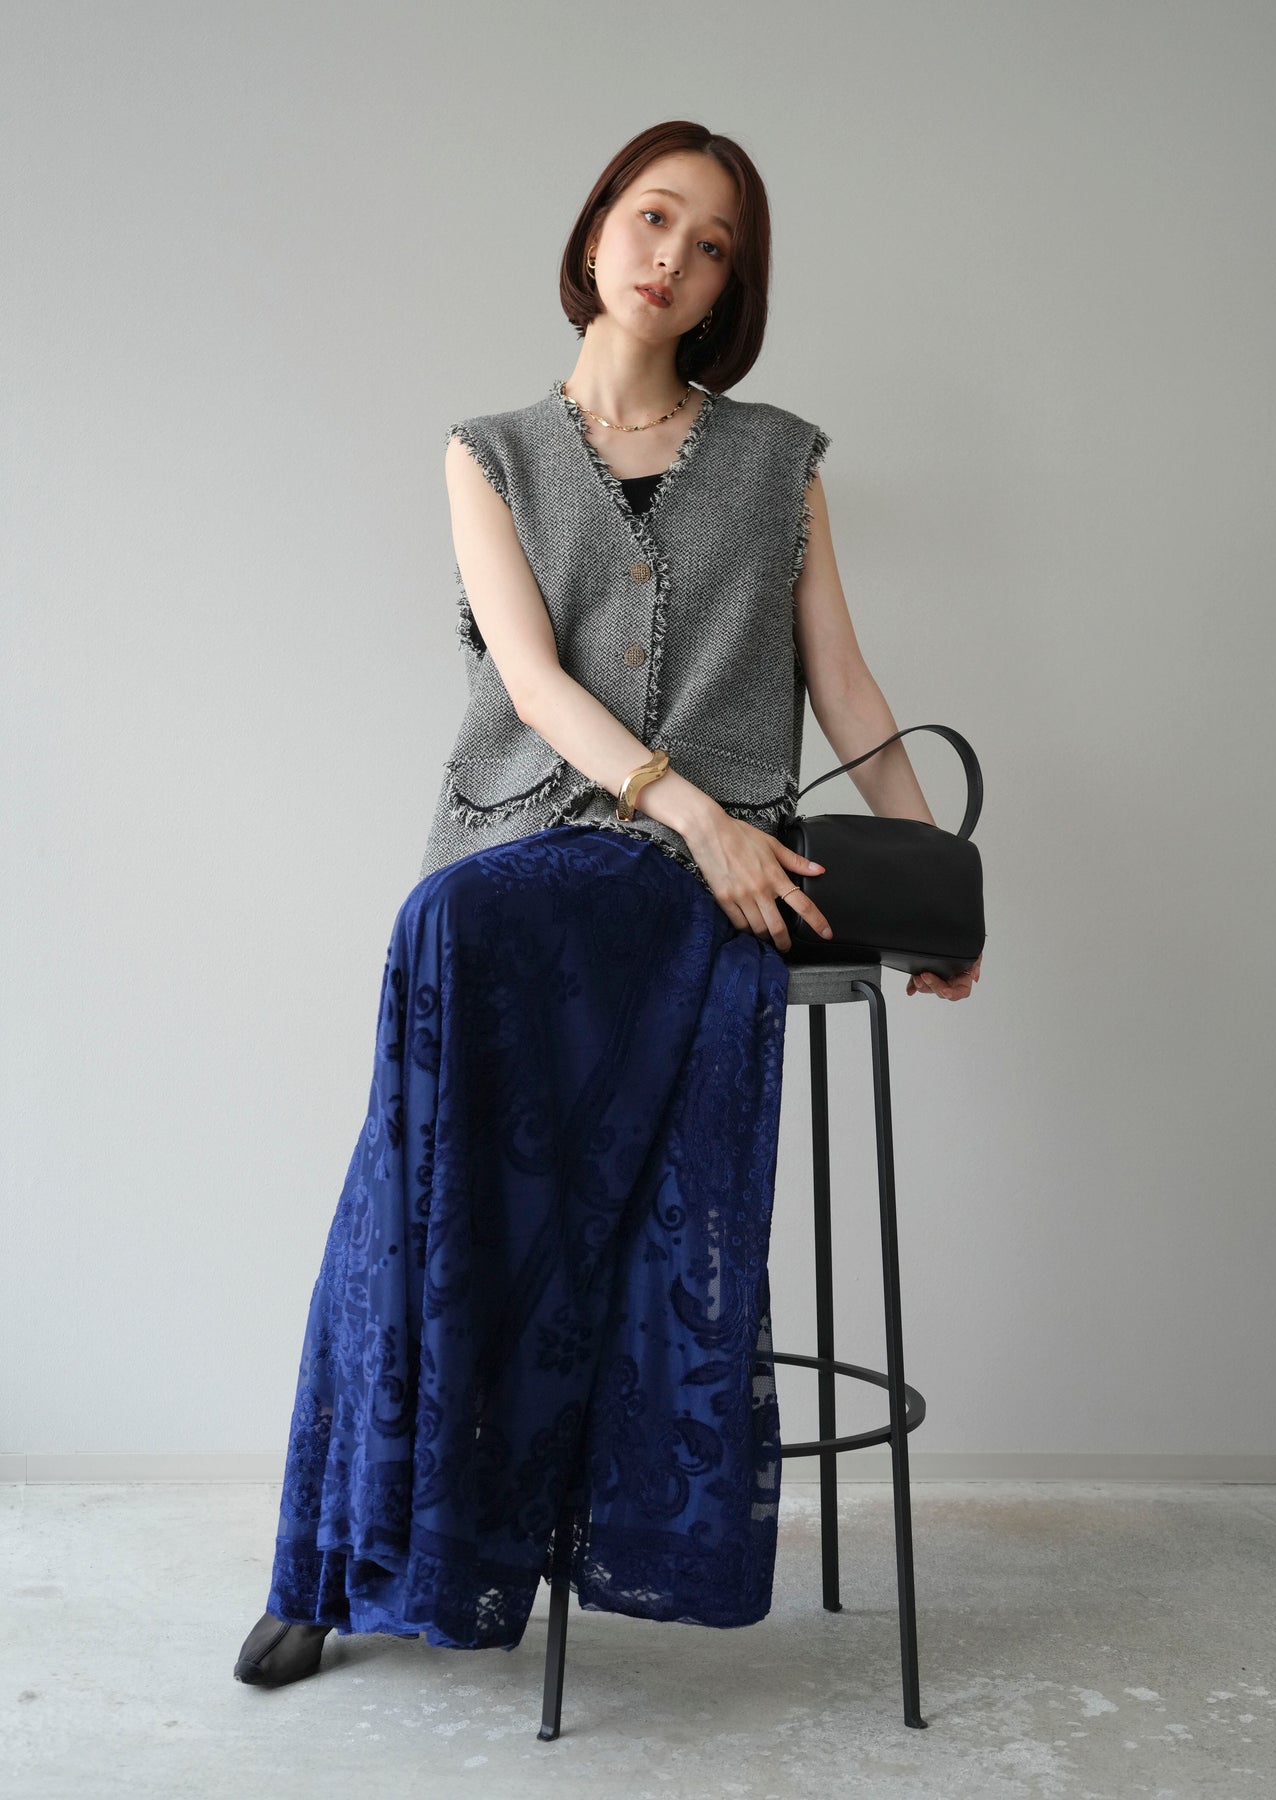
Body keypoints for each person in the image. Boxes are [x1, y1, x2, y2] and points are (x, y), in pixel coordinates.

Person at [235, 118, 981, 1691]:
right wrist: (688, 807)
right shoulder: (487, 452)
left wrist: (936, 889)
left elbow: (846, 687)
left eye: (712, 247)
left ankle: (416, 1533)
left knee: (447, 989)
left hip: (691, 884)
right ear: (593, 233)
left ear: (725, 290)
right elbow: (527, 681)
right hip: (526, 847)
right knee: (417, 1104)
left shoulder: (778, 461)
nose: (673, 258)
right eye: (654, 218)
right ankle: (339, 1550)